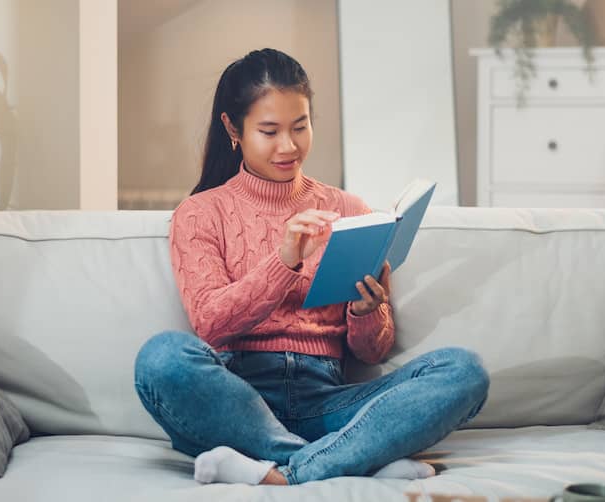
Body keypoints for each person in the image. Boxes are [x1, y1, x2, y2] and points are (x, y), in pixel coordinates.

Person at [133, 48, 489, 486]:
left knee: (463, 371)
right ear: (232, 128)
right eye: (269, 131)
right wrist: (283, 261)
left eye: (300, 127)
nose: (289, 146)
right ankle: (352, 459)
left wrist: (365, 312)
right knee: (161, 358)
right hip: (240, 400)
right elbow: (210, 323)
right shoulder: (201, 212)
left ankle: (282, 470)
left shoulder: (348, 209)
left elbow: (372, 352)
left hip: (329, 400)